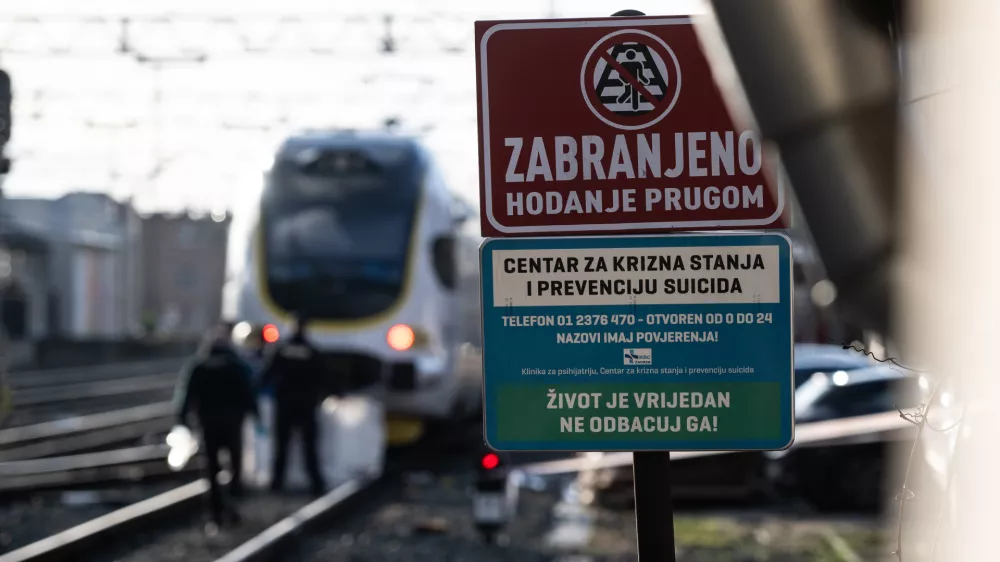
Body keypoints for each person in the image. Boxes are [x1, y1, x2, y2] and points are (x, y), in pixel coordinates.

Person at [174, 324, 259, 528]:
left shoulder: (198, 365)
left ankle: (214, 513)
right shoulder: (236, 365)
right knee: (234, 466)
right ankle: (232, 507)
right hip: (232, 425)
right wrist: (256, 414)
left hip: (207, 425)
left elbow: (186, 394)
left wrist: (182, 418)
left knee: (211, 469)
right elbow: (248, 392)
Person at [259, 313, 328, 496]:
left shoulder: (280, 349)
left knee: (281, 446)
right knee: (309, 447)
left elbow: (267, 374)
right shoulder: (312, 350)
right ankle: (316, 484)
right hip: (307, 405)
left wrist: (256, 390)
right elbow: (324, 377)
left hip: (285, 404)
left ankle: (277, 483)